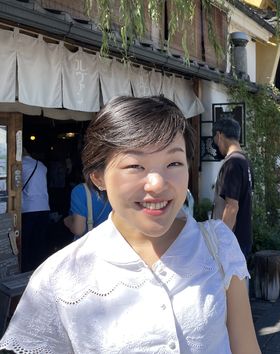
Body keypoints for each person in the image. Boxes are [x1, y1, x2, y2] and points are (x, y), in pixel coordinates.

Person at [0, 96, 260, 354]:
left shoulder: (218, 246)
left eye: (174, 163)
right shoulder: (59, 277)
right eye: (135, 165)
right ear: (99, 176)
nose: (157, 184)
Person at [212, 118, 254, 259]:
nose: (216, 145)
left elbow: (231, 207)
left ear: (219, 136)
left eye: (215, 140)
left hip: (233, 241)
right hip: (243, 236)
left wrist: (222, 242)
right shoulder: (244, 161)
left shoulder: (233, 163)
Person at [21, 147, 50, 272]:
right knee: (39, 240)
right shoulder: (42, 165)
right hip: (44, 206)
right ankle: (38, 267)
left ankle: (25, 267)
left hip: (28, 207)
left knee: (26, 240)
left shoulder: (20, 164)